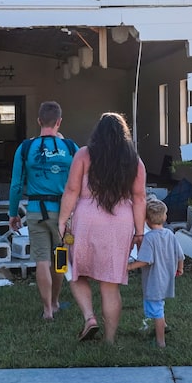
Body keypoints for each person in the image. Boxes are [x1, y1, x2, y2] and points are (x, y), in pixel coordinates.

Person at [58, 112, 147, 344]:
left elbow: (71, 190)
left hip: (87, 222)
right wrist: (139, 232)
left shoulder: (84, 155)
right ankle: (109, 340)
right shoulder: (135, 161)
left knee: (72, 269)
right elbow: (139, 199)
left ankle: (89, 317)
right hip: (120, 225)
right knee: (110, 285)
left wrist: (62, 220)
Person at [8, 101, 79, 320]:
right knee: (60, 258)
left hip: (36, 211)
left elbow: (17, 185)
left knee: (41, 261)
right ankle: (56, 302)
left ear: (39, 121)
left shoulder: (26, 148)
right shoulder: (70, 147)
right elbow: (81, 182)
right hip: (64, 214)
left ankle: (47, 309)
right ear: (59, 122)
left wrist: (13, 213)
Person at [127, 199, 184, 348]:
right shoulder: (170, 234)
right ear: (165, 217)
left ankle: (160, 342)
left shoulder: (150, 238)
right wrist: (180, 268)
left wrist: (129, 267)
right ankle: (164, 326)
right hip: (166, 278)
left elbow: (146, 260)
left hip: (154, 281)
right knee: (159, 304)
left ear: (145, 220)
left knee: (156, 310)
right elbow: (180, 255)